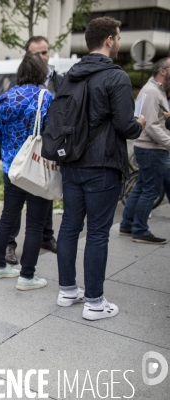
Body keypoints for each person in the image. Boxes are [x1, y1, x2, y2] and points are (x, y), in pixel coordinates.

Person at [56, 17, 145, 321]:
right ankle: (94, 302)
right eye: (118, 37)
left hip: (71, 161)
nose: (119, 42)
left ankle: (68, 290)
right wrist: (140, 124)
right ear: (109, 39)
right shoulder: (115, 76)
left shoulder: (71, 74)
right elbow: (125, 125)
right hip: (102, 163)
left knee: (69, 226)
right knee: (97, 233)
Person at [0, 53, 53, 291]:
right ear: (41, 73)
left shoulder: (5, 99)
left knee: (7, 217)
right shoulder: (46, 98)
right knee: (35, 224)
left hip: (11, 169)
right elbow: (52, 132)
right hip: (37, 168)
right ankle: (27, 276)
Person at [5, 36, 62, 265]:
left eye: (45, 52)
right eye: (37, 53)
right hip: (20, 153)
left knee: (44, 195)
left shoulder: (58, 81)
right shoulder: (17, 82)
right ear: (28, 56)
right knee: (14, 206)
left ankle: (46, 238)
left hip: (47, 150)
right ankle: (10, 245)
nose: (43, 57)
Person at [119, 58, 170, 244]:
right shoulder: (151, 92)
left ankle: (127, 225)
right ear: (163, 71)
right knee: (150, 190)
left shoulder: (155, 91)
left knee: (142, 186)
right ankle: (140, 230)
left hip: (150, 149)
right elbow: (151, 126)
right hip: (152, 149)